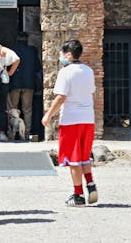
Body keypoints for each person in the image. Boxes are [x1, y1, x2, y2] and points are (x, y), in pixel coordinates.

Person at [41, 39, 98, 206]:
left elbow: (61, 97)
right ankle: (91, 184)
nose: (60, 56)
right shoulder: (88, 71)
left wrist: (48, 115)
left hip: (71, 119)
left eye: (61, 53)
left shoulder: (65, 72)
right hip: (88, 119)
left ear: (68, 54)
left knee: (73, 159)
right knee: (84, 155)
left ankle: (78, 194)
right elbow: (91, 93)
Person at [8, 32, 42, 139]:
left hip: (14, 83)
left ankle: (11, 134)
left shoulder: (12, 50)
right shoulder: (32, 51)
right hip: (29, 83)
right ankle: (27, 133)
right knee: (27, 110)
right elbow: (37, 67)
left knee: (12, 108)